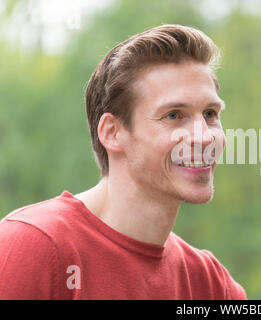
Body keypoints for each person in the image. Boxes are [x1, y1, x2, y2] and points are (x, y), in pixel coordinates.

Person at [0, 24, 247, 300]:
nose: (204, 138)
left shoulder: (212, 286)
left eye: (210, 114)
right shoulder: (34, 247)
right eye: (174, 115)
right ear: (112, 133)